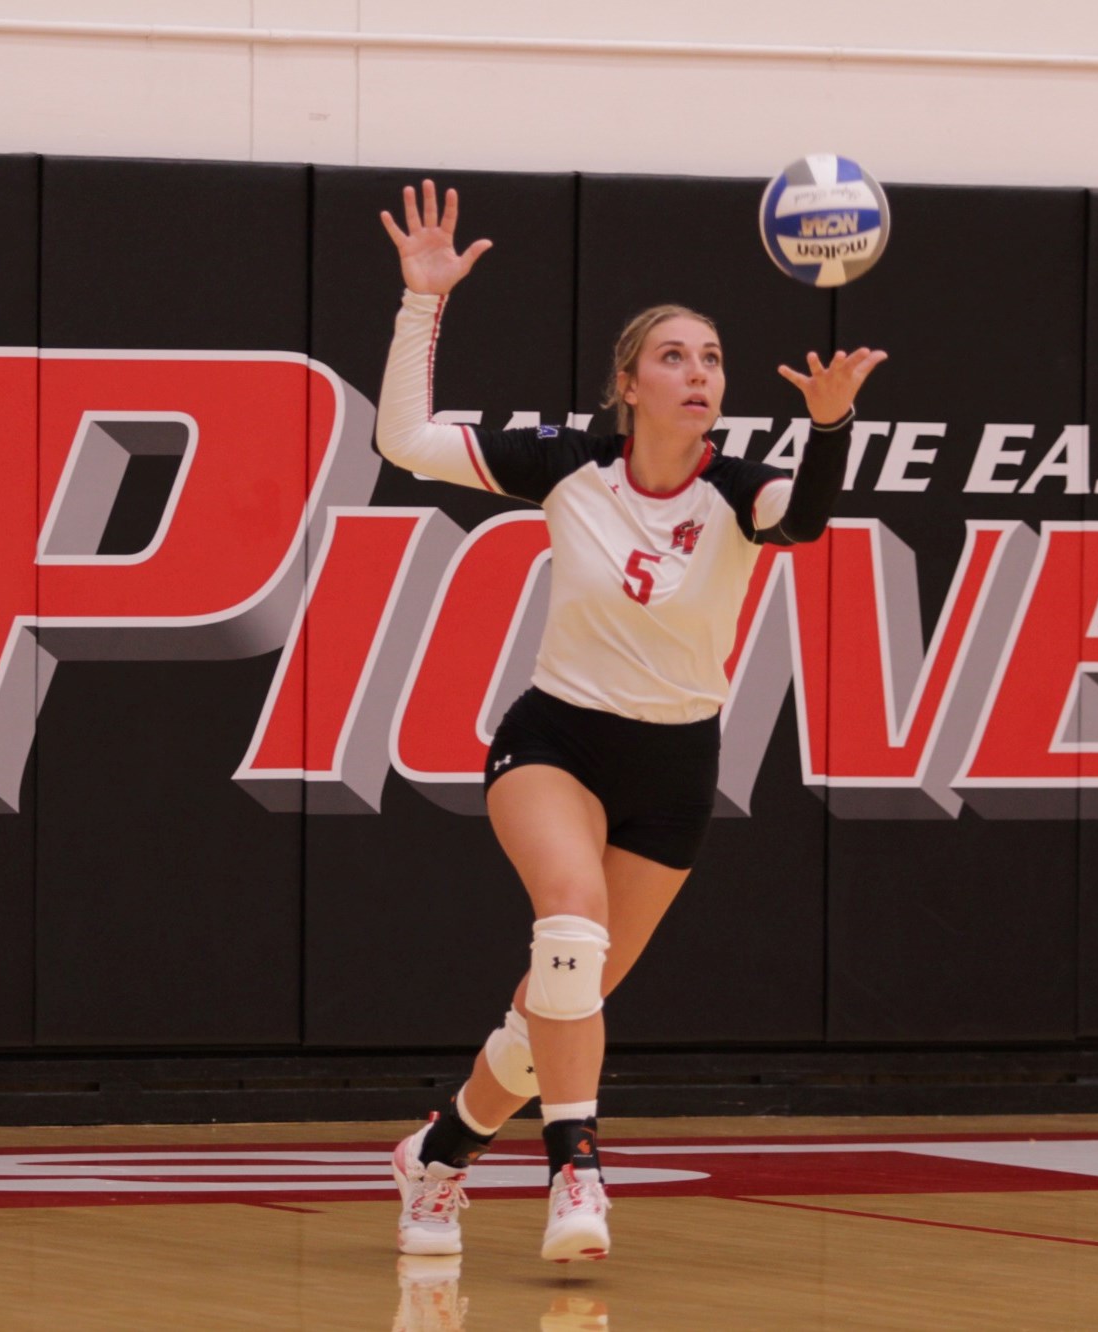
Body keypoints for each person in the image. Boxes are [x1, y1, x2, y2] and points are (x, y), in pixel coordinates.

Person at [375, 179, 886, 1264]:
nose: (696, 373)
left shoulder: (741, 490)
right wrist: (423, 302)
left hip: (673, 763)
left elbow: (804, 520)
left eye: (709, 359)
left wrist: (827, 427)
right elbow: (409, 439)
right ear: (627, 383)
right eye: (673, 357)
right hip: (555, 739)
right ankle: (577, 1175)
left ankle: (439, 1153)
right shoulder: (571, 467)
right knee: (567, 923)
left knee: (553, 1010)